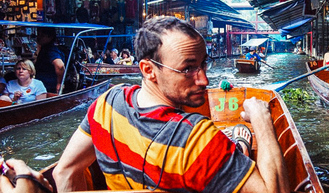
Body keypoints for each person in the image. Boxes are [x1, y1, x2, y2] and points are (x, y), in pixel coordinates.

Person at [53, 16, 289, 193]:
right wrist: (262, 119)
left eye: (203, 64)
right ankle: (239, 148)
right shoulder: (197, 139)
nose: (204, 80)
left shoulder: (107, 103)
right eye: (187, 69)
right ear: (148, 70)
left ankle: (237, 150)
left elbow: (64, 171)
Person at [35, 27, 65, 93]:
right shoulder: (44, 48)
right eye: (38, 35)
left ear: (50, 37)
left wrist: (59, 83)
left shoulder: (51, 50)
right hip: (43, 83)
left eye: (42, 36)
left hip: (48, 85)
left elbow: (60, 66)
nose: (38, 38)